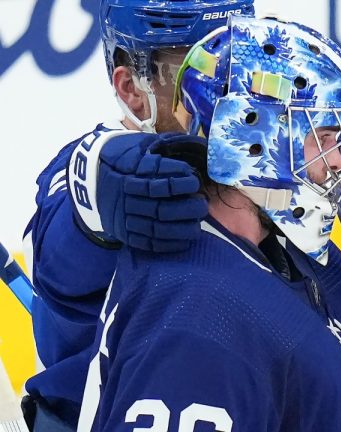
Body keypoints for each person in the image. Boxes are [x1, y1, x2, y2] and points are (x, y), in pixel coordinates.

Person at [77, 16, 341, 431]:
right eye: (322, 136)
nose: (336, 161)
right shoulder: (196, 315)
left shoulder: (305, 265)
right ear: (252, 133)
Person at [22, 0, 255, 428]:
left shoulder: (261, 170)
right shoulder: (83, 172)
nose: (228, 93)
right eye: (198, 74)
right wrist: (99, 195)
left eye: (239, 66)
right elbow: (61, 248)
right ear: (130, 87)